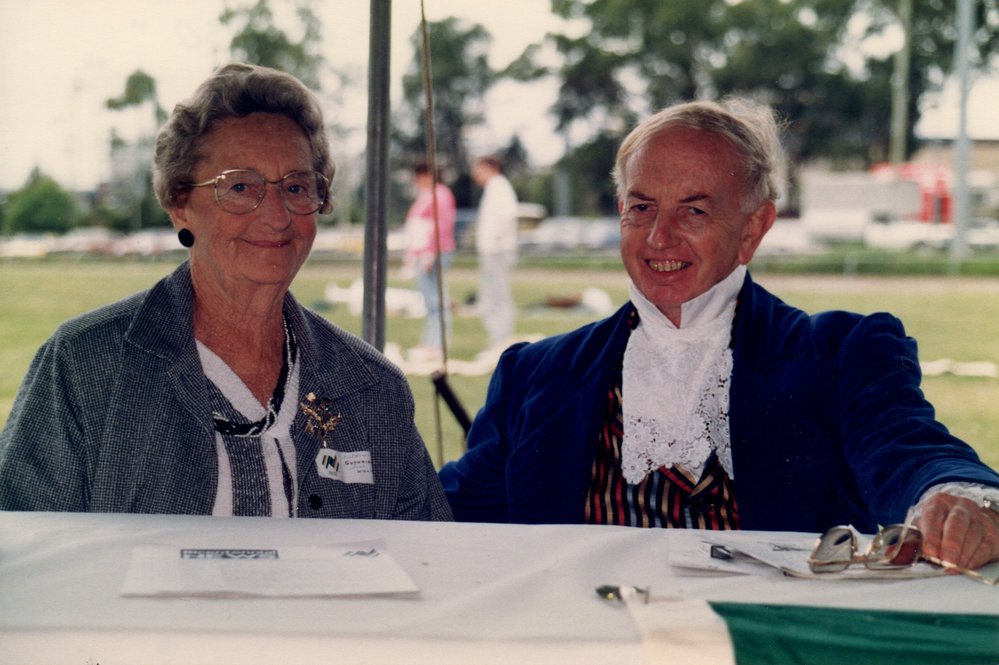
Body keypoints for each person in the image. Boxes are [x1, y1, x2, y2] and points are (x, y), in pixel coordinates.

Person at [440, 99, 999, 572]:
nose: (660, 236)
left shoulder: (840, 353)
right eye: (641, 207)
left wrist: (953, 500)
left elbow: (908, 446)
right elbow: (449, 513)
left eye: (693, 210)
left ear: (753, 227)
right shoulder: (535, 372)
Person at [0, 63, 452, 521]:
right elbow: (22, 559)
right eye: (241, 186)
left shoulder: (371, 388)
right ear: (180, 204)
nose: (276, 216)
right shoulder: (84, 368)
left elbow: (431, 565)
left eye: (296, 187)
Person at [402, 161, 456, 361]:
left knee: (436, 300)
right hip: (423, 253)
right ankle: (430, 341)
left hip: (433, 253)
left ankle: (437, 344)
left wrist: (430, 252)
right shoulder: (426, 195)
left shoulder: (440, 193)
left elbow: (441, 224)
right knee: (429, 300)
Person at [472, 155, 519, 351]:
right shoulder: (494, 188)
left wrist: (497, 242)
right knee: (491, 296)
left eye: (479, 170)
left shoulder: (499, 187)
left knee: (497, 297)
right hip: (492, 251)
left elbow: (507, 216)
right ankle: (496, 339)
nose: (476, 175)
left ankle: (500, 341)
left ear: (490, 168)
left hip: (497, 251)